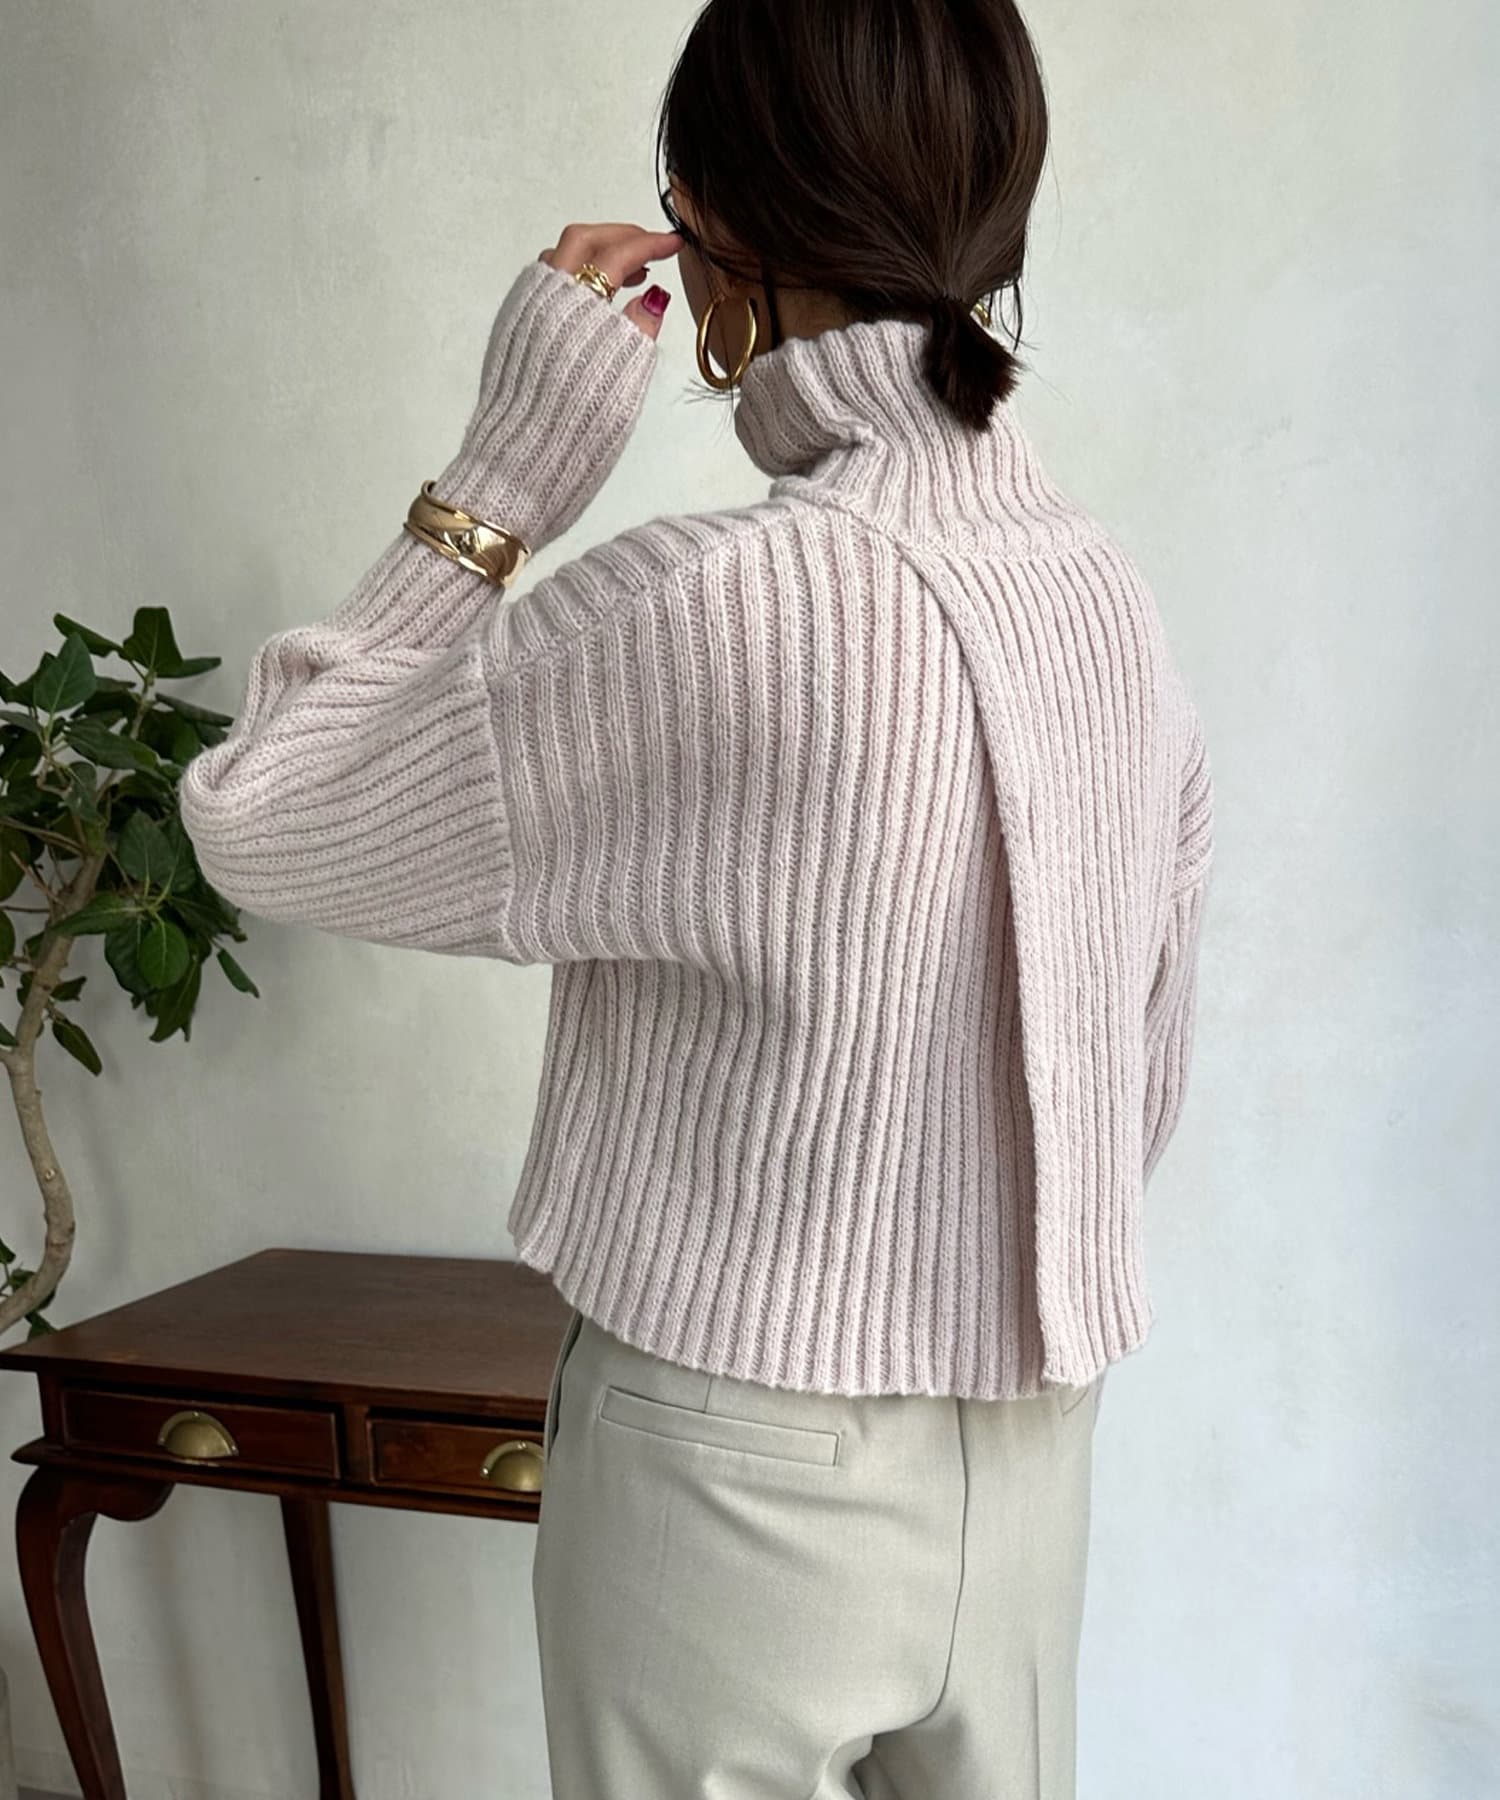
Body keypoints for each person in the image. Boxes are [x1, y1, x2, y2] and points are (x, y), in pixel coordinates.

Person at [180, 0, 1214, 1793]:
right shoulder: (1097, 592)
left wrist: (505, 477)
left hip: (731, 1454)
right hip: (1040, 1430)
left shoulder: (714, 612)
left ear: (718, 218)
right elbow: (1149, 1050)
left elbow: (258, 817)